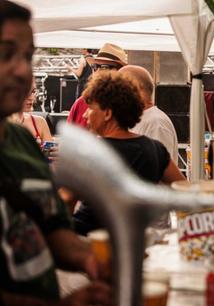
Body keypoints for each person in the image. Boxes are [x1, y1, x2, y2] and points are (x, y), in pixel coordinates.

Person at [0, 1, 111, 305]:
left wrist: (100, 260)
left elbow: (55, 234)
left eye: (27, 56)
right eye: (6, 54)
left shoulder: (22, 141)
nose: (23, 70)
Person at [73, 70, 185, 235]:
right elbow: (184, 191)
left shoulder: (91, 152)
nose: (85, 114)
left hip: (92, 240)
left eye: (90, 108)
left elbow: (66, 199)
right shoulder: (154, 149)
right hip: (136, 238)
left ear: (108, 113)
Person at [119, 65, 179, 165]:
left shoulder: (155, 123)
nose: (115, 93)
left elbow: (158, 172)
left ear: (135, 89)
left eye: (119, 87)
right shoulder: (141, 119)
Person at [67, 43, 127, 128]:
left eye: (104, 67)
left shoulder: (127, 106)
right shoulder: (80, 103)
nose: (97, 71)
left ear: (120, 71)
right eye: (95, 66)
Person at [9, 79, 52, 145]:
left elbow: (50, 152)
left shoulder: (40, 122)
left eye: (33, 92)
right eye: (25, 92)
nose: (32, 98)